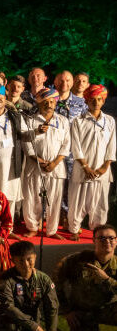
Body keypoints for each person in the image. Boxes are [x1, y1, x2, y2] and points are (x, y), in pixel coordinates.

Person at [0, 241, 58, 331]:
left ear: (35, 257)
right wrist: (33, 325)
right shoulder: (5, 279)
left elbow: (52, 310)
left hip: (32, 327)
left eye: (29, 259)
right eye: (21, 261)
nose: (26, 265)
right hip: (10, 325)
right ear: (13, 261)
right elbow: (8, 308)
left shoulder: (43, 280)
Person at [55, 224, 117, 331]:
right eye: (102, 238)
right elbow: (55, 285)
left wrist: (106, 279)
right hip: (83, 313)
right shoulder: (76, 260)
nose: (107, 241)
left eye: (111, 238)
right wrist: (66, 310)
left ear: (116, 241)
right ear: (93, 241)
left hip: (108, 309)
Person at [66, 85, 116, 239]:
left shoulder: (109, 121)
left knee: (100, 204)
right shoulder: (78, 121)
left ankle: (99, 232)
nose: (96, 102)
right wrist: (86, 167)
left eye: (99, 99)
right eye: (92, 99)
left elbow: (112, 145)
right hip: (82, 170)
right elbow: (76, 146)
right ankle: (74, 230)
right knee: (76, 202)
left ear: (103, 101)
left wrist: (105, 167)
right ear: (86, 101)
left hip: (102, 170)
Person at [21, 88, 70, 238]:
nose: (48, 104)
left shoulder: (63, 121)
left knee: (54, 200)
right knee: (32, 197)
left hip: (56, 168)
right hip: (34, 167)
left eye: (51, 102)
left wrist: (55, 163)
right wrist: (39, 161)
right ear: (39, 103)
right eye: (45, 102)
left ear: (55, 104)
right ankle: (32, 227)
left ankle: (51, 230)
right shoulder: (30, 121)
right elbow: (26, 143)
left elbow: (66, 144)